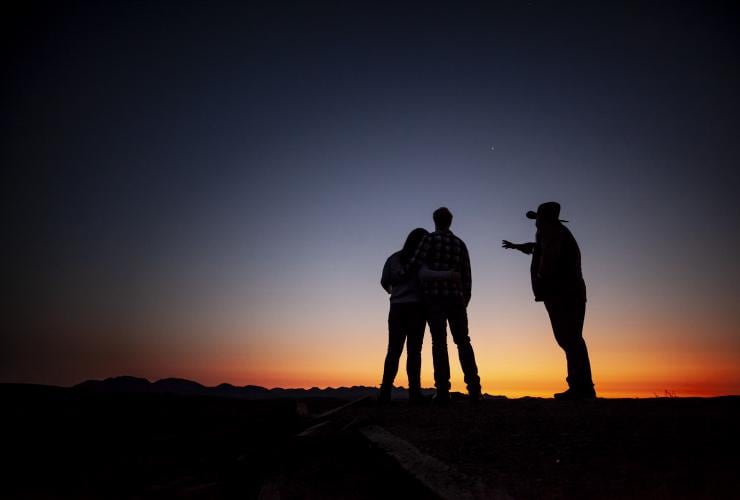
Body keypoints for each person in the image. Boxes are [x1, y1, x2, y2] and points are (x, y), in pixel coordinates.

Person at [502, 201, 596, 400]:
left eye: (537, 219)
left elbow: (549, 260)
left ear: (544, 220)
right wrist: (518, 246)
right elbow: (537, 248)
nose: (535, 224)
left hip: (563, 294)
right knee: (570, 339)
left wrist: (543, 280)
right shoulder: (555, 233)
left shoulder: (553, 233)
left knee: (570, 339)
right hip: (568, 293)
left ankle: (583, 388)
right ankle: (580, 386)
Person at [408, 207, 482, 404]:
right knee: (463, 341)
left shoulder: (429, 240)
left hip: (434, 299)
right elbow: (467, 276)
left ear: (434, 220)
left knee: (439, 343)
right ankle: (474, 388)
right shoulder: (460, 244)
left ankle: (442, 390)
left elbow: (415, 264)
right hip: (456, 299)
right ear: (451, 221)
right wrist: (465, 299)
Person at [379, 228, 459, 403]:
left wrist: (396, 293)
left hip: (397, 308)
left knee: (393, 350)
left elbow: (384, 281)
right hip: (417, 308)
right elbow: (428, 278)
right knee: (414, 352)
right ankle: (414, 393)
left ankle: (385, 392)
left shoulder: (393, 258)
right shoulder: (422, 261)